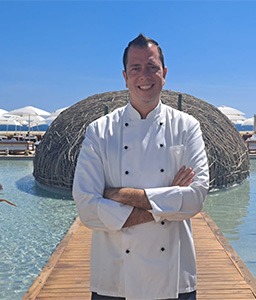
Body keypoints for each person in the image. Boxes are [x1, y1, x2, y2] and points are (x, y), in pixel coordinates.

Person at [72, 34, 209, 300]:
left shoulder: (187, 126)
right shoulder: (99, 132)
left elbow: (194, 199)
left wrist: (117, 194)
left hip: (175, 279)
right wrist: (168, 201)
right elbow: (87, 208)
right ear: (125, 76)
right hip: (114, 279)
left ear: (164, 73)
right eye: (135, 68)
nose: (144, 76)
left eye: (151, 67)